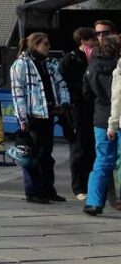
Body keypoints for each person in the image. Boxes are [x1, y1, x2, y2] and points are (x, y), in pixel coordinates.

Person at [10, 32, 70, 203]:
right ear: (35, 45)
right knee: (31, 155)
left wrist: (64, 103)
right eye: (45, 44)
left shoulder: (49, 64)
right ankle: (33, 192)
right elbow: (17, 93)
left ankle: (48, 189)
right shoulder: (20, 65)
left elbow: (61, 84)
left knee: (46, 155)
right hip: (32, 116)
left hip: (48, 113)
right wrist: (22, 118)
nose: (49, 47)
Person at [83, 35, 120, 215]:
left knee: (102, 160)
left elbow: (86, 93)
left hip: (100, 117)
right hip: (118, 117)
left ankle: (93, 202)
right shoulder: (118, 67)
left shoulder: (91, 67)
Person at [59, 27, 97, 200]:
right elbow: (62, 83)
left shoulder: (95, 58)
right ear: (83, 41)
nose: (96, 42)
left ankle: (91, 184)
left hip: (94, 108)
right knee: (79, 148)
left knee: (92, 148)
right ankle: (78, 187)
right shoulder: (70, 60)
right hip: (78, 108)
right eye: (92, 39)